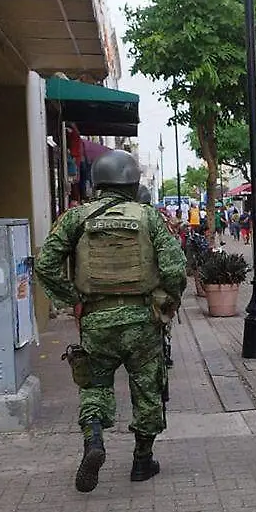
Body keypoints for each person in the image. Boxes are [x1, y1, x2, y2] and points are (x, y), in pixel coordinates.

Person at [34, 150, 186, 492]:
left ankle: (95, 442)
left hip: (96, 320)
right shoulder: (148, 217)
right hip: (141, 322)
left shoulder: (76, 218)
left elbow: (45, 264)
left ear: (97, 181)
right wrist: (166, 303)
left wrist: (73, 300)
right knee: (147, 389)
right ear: (133, 183)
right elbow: (175, 268)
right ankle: (142, 462)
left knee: (95, 386)